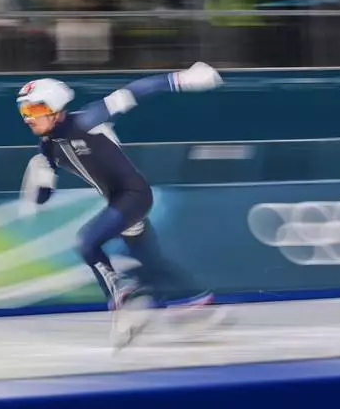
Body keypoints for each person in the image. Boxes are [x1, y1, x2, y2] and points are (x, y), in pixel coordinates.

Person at [16, 63, 227, 347]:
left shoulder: (86, 119)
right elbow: (44, 195)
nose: (29, 118)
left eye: (35, 110)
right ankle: (196, 302)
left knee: (86, 243)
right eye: (24, 111)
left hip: (134, 195)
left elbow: (134, 91)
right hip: (117, 201)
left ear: (55, 107)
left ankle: (123, 299)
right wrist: (39, 182)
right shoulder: (47, 145)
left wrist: (182, 79)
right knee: (151, 262)